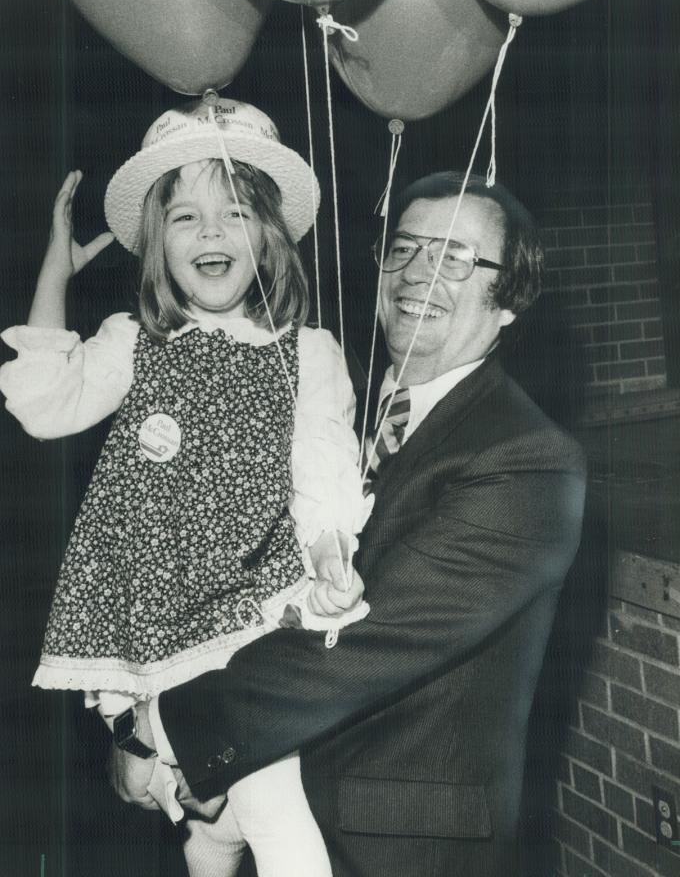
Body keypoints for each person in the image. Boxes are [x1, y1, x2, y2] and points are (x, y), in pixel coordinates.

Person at [110, 169, 587, 877]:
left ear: (510, 296)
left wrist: (161, 726)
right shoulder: (334, 400)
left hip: (400, 848)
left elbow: (366, 638)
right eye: (404, 248)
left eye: (455, 257)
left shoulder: (529, 459)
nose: (418, 272)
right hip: (277, 805)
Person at [0, 96, 369, 877]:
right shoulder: (133, 342)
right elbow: (42, 403)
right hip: (151, 627)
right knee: (210, 829)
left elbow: (325, 468)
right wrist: (54, 272)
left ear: (267, 236)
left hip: (251, 613)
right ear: (155, 247)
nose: (210, 232)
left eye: (234, 213)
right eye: (185, 218)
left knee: (273, 815)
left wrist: (332, 555)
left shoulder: (307, 352)